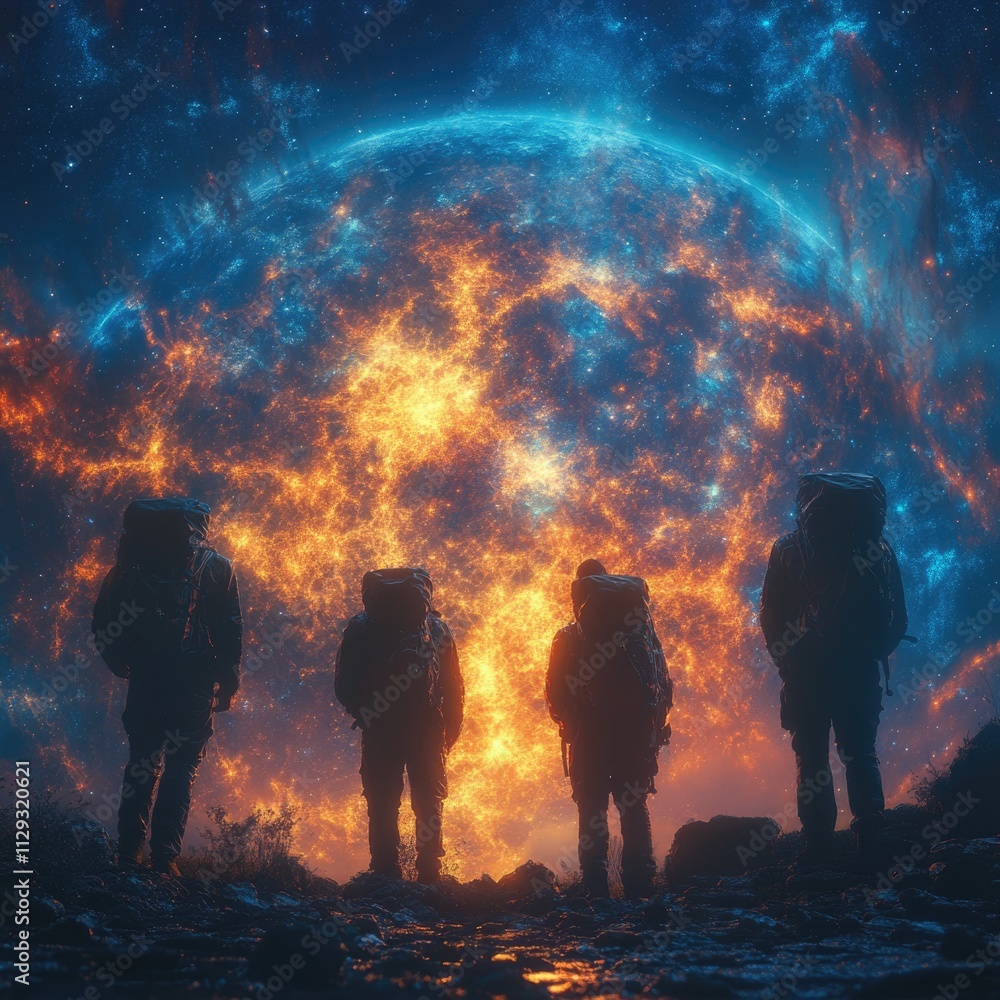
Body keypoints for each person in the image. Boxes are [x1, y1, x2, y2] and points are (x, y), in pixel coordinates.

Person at [760, 473, 909, 870]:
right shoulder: (878, 547)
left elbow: (770, 616)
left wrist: (786, 661)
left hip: (806, 674)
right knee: (861, 753)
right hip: (858, 671)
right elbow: (898, 619)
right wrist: (872, 653)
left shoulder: (787, 548)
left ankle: (819, 849)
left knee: (811, 759)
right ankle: (871, 843)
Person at [92, 497, 243, 875]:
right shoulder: (218, 567)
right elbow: (230, 628)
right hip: (194, 679)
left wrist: (119, 660)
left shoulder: (128, 568)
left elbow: (103, 620)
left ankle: (127, 853)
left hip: (147, 675)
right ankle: (165, 858)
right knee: (182, 766)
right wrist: (228, 680)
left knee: (142, 761)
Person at [545, 559, 672, 899]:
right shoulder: (643, 631)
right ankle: (642, 884)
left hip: (590, 734)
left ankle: (595, 885)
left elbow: (555, 691)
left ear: (578, 591)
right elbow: (662, 683)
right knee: (633, 805)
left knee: (591, 807)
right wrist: (655, 727)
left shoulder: (569, 636)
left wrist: (571, 721)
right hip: (635, 734)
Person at [334, 567, 464, 883]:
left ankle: (385, 871)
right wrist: (450, 732)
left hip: (380, 725)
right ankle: (430, 872)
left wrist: (364, 712)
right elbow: (453, 686)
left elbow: (343, 683)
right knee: (429, 798)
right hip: (428, 726)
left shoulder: (361, 627)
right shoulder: (438, 628)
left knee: (381, 799)